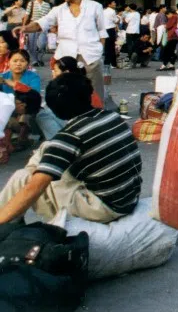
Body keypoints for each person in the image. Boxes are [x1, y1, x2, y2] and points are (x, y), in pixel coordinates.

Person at [0, 73, 141, 223]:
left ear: (55, 109)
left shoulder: (70, 136)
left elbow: (34, 188)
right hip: (129, 197)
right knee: (45, 150)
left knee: (23, 179)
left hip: (104, 207)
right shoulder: (112, 117)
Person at [15, 0, 107, 106]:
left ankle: (96, 117)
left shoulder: (95, 7)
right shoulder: (58, 10)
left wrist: (99, 52)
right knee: (66, 92)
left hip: (91, 56)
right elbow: (41, 23)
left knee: (94, 92)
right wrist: (24, 28)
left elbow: (102, 31)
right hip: (66, 57)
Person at [23, 0, 51, 67]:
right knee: (31, 44)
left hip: (43, 26)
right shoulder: (31, 3)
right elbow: (27, 14)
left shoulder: (47, 5)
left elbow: (49, 17)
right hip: (32, 25)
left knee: (42, 43)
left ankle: (39, 58)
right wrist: (24, 25)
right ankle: (35, 60)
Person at [159, 6, 178, 70]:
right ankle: (171, 64)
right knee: (173, 51)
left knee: (167, 50)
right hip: (177, 36)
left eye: (167, 15)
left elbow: (168, 26)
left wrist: (166, 26)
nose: (167, 17)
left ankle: (164, 65)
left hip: (173, 35)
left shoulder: (174, 17)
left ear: (170, 13)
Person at [102, 0, 119, 67]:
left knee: (107, 47)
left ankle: (109, 62)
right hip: (110, 30)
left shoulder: (103, 11)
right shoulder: (112, 11)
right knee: (111, 47)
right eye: (113, 2)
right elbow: (116, 20)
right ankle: (111, 63)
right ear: (109, 4)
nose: (115, 3)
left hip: (105, 30)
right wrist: (119, 19)